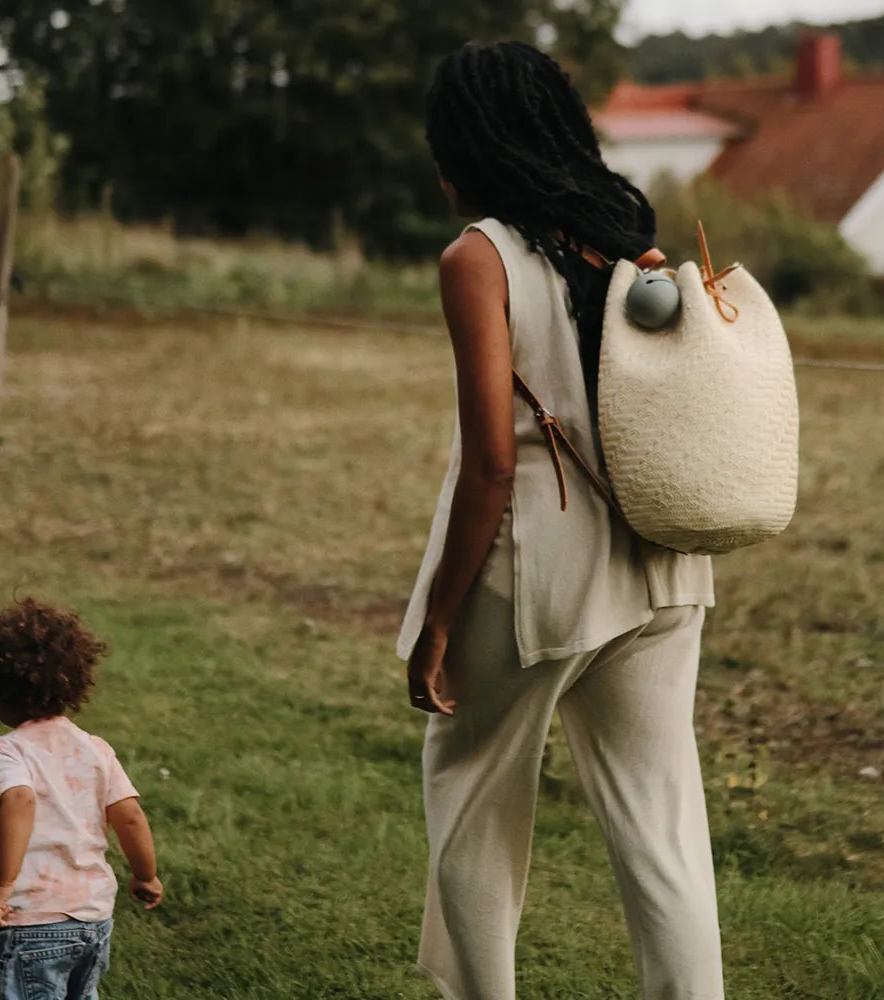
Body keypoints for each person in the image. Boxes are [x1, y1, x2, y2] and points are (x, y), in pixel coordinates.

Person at [399, 42, 724, 1000]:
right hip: (664, 563)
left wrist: (440, 619)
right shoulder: (628, 235)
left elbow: (493, 463)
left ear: (468, 143)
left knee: (472, 790)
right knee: (662, 824)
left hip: (539, 573)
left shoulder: (478, 256)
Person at [0, 597, 163, 1000]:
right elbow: (129, 815)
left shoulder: (8, 751)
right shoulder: (94, 748)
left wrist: (4, 882)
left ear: (0, 693)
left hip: (35, 919)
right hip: (95, 918)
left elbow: (19, 800)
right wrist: (145, 874)